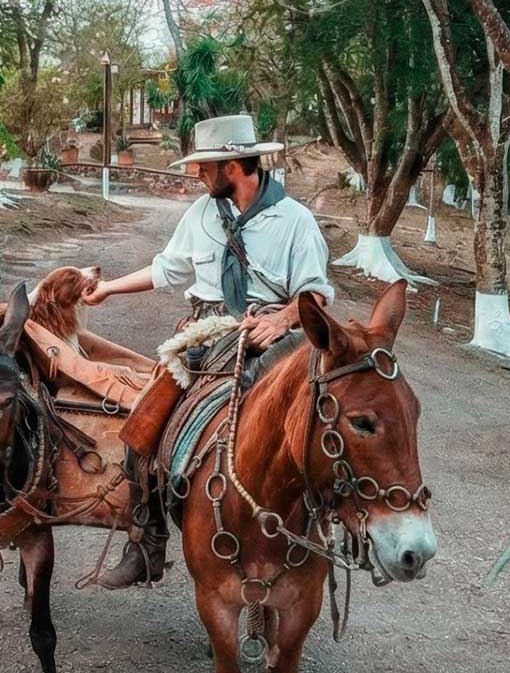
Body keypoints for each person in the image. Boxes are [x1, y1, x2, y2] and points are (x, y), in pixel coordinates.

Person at [83, 114, 335, 588]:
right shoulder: (201, 213)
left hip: (273, 337)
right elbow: (166, 270)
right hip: (204, 335)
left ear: (235, 166)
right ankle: (146, 542)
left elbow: (316, 295)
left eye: (205, 166)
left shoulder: (295, 221)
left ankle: (325, 525)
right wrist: (109, 290)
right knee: (141, 430)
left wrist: (281, 320)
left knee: (312, 422)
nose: (197, 174)